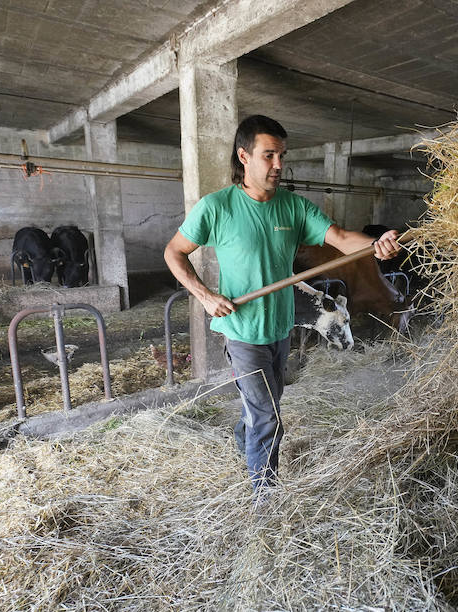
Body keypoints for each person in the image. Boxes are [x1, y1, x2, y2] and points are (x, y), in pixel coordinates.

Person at [164, 115, 401, 492]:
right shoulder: (216, 207)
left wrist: (377, 245)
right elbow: (174, 252)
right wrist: (206, 296)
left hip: (279, 330)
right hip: (242, 332)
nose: (278, 165)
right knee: (270, 417)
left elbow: (340, 237)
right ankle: (265, 498)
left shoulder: (293, 207)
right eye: (268, 155)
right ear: (244, 156)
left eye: (282, 156)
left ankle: (246, 442)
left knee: (263, 407)